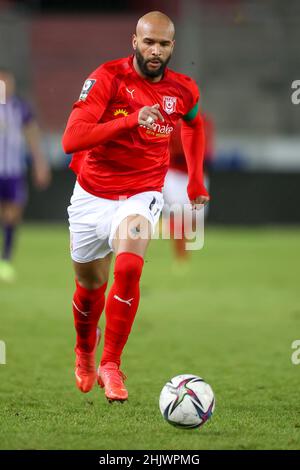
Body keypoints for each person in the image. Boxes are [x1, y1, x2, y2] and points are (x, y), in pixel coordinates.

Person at [62, 11, 209, 402]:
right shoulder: (107, 79)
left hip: (142, 194)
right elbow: (71, 139)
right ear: (135, 41)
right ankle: (84, 351)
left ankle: (111, 364)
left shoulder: (183, 90)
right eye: (148, 42)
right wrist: (128, 123)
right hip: (92, 195)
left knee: (128, 267)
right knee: (89, 289)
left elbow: (193, 123)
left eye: (163, 43)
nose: (155, 50)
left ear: (173, 46)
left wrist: (194, 176)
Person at [0, 67, 51, 282]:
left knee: (13, 214)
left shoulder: (20, 108)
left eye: (7, 82)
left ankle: (6, 260)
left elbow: (32, 137)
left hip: (14, 171)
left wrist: (40, 164)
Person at [163, 114, 214, 267]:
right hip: (175, 173)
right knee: (176, 213)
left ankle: (185, 250)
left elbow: (208, 151)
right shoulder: (171, 120)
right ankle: (180, 255)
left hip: (196, 173)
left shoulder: (204, 121)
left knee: (194, 218)